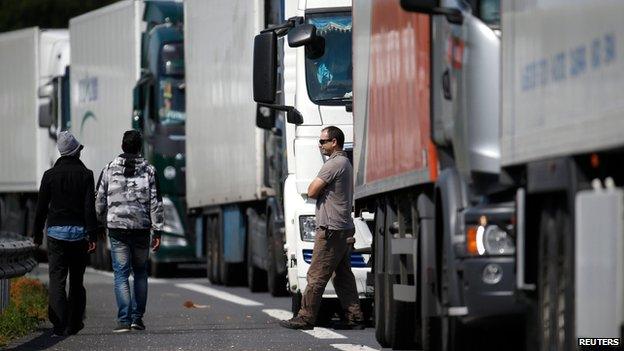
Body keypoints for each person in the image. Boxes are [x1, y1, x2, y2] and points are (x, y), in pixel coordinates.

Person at [280, 126, 365, 330]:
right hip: (342, 227)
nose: (320, 145)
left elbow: (311, 190)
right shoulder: (345, 162)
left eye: (323, 141)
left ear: (334, 142)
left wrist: (319, 188)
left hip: (330, 229)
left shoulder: (333, 164)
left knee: (316, 274)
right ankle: (355, 316)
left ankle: (305, 317)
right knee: (342, 275)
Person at [95, 130, 163, 333]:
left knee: (121, 274)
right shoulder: (150, 171)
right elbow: (156, 202)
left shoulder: (108, 169)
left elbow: (99, 200)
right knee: (141, 273)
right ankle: (137, 319)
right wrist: (157, 231)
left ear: (123, 146)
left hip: (117, 229)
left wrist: (99, 222)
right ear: (140, 147)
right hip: (141, 228)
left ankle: (124, 320)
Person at [33, 131, 98, 337]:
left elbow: (41, 208)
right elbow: (89, 208)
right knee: (77, 281)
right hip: (79, 235)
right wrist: (93, 235)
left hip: (55, 234)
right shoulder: (86, 175)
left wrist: (36, 234)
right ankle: (74, 322)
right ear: (76, 152)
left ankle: (59, 324)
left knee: (57, 279)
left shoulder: (49, 176)